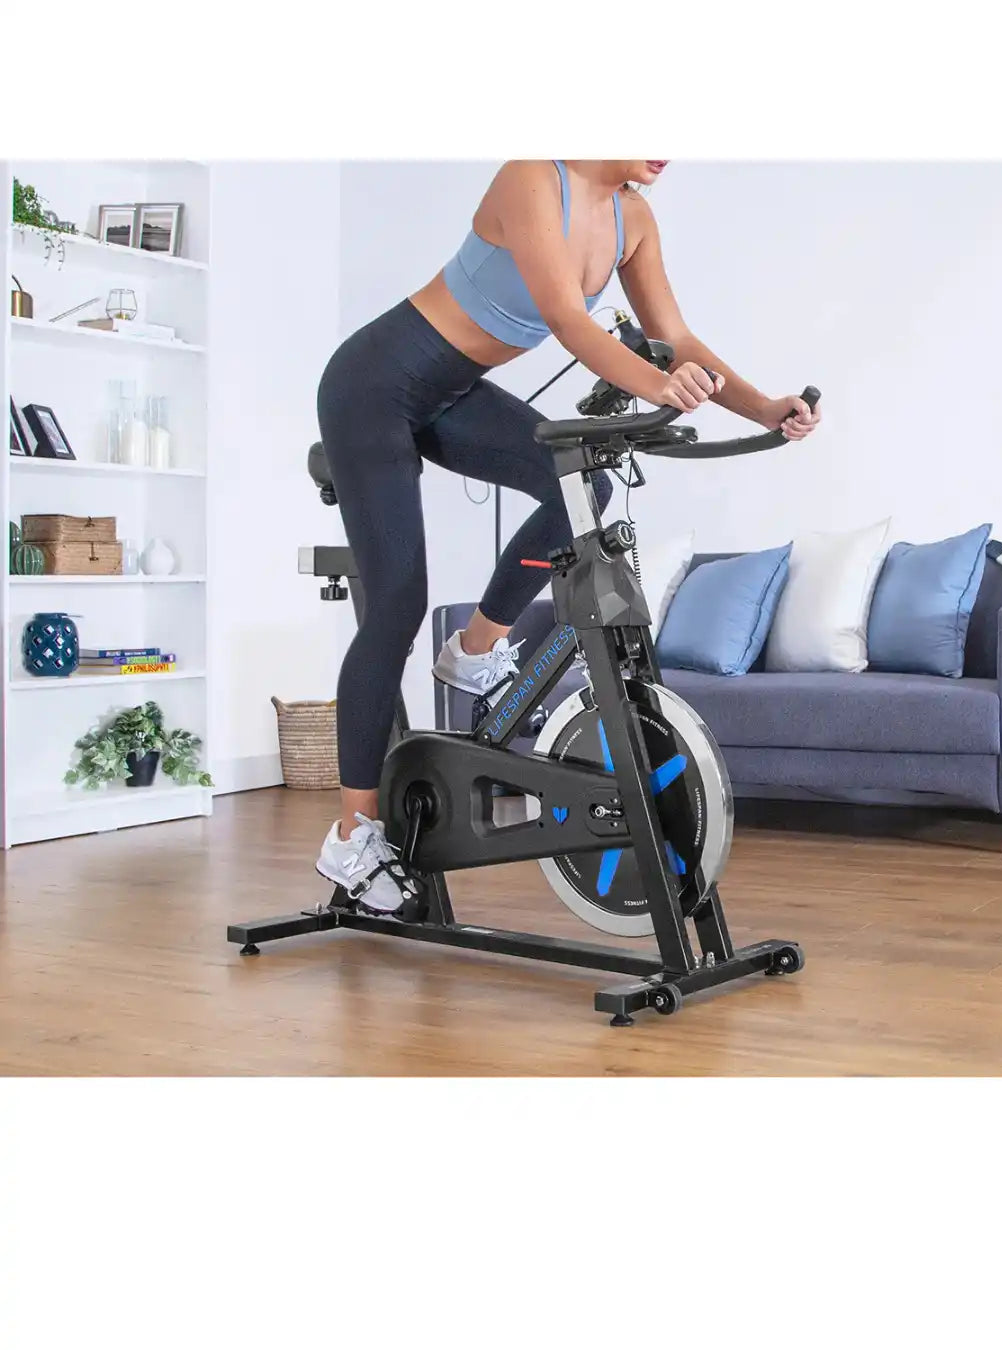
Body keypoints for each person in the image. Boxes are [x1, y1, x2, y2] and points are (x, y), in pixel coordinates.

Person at [314, 159, 822, 910]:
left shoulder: (632, 219)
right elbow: (567, 320)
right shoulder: (530, 177)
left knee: (581, 484)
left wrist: (765, 407)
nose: (665, 151)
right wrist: (658, 385)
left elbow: (675, 336)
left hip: (451, 392)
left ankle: (475, 650)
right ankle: (352, 835)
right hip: (372, 386)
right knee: (398, 603)